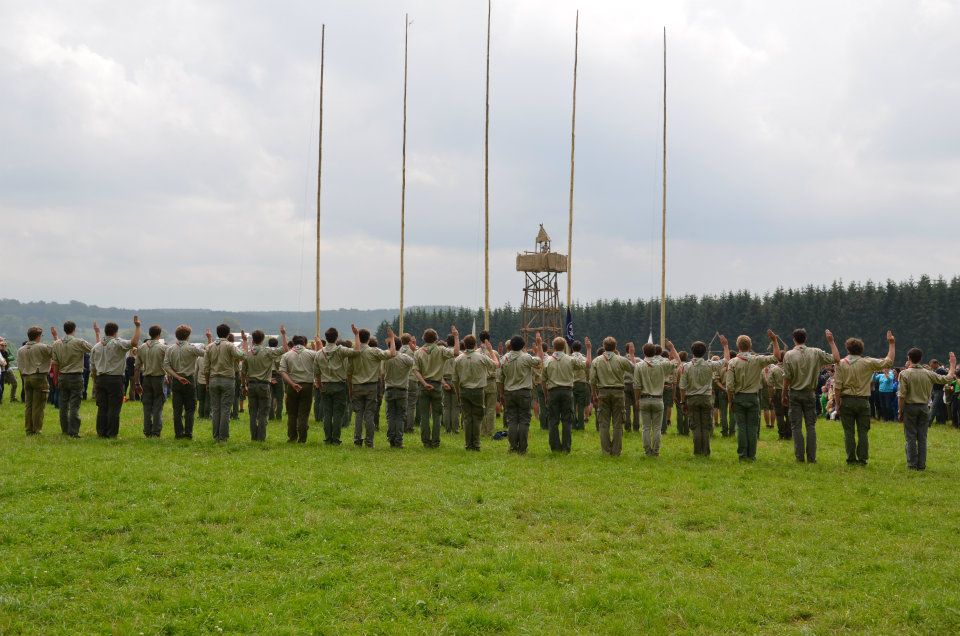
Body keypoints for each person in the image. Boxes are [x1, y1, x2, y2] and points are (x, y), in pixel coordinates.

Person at [780, 329, 840, 463]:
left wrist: (784, 394)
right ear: (805, 338)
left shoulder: (788, 355)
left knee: (796, 426)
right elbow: (836, 359)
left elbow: (787, 378)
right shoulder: (816, 352)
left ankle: (799, 457)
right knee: (810, 426)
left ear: (794, 339)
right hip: (810, 393)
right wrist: (831, 342)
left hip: (794, 393)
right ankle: (812, 458)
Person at [725, 331, 781, 462]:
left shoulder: (733, 362)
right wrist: (774, 341)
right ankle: (752, 455)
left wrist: (730, 401)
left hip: (739, 397)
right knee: (752, 427)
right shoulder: (757, 360)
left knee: (741, 427)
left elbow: (729, 386)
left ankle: (742, 454)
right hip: (753, 397)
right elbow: (777, 357)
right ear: (750, 346)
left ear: (738, 346)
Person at [897, 348, 956, 470]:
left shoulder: (905, 374)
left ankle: (912, 464)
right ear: (920, 359)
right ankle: (921, 465)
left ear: (909, 358)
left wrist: (900, 411)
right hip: (924, 407)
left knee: (911, 437)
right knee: (922, 437)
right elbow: (948, 378)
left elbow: (902, 396)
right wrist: (952, 364)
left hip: (910, 407)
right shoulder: (929, 373)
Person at [90, 316, 141, 438]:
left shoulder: (96, 346)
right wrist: (138, 326)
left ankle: (101, 432)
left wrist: (95, 380)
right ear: (115, 332)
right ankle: (112, 433)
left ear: (105, 331)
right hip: (115, 379)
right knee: (114, 408)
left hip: (100, 379)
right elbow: (134, 343)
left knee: (102, 407)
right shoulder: (117, 343)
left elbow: (93, 367)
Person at [680, 338, 729, 457]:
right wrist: (725, 346)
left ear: (692, 352)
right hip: (706, 398)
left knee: (696, 426)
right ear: (705, 352)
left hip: (692, 398)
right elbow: (726, 360)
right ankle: (706, 451)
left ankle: (697, 452)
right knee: (706, 426)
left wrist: (683, 401)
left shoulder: (686, 367)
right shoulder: (709, 364)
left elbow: (682, 387)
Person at [349, 325, 397, 448]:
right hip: (371, 386)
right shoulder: (374, 351)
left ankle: (357, 440)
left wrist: (350, 388)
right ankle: (369, 441)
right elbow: (392, 353)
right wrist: (392, 338)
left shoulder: (354, 353)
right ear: (369, 339)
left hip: (357, 385)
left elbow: (349, 372)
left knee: (358, 414)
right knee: (369, 414)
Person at [452, 334, 500, 451]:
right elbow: (496, 365)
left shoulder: (458, 359)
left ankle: (468, 444)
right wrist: (491, 351)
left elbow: (455, 380)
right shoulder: (481, 357)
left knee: (467, 418)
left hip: (464, 390)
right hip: (478, 390)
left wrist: (458, 393)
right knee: (477, 418)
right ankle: (476, 443)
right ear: (475, 345)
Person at [163, 324, 210, 440]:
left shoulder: (170, 349)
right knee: (190, 409)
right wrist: (209, 339)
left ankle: (178, 433)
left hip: (176, 381)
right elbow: (208, 354)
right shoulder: (192, 348)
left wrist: (177, 377)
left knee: (177, 409)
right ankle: (188, 433)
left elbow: (165, 365)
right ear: (188, 336)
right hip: (189, 379)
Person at [315, 327, 362, 445]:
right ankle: (335, 439)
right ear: (336, 337)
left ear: (326, 338)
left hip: (325, 385)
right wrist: (356, 334)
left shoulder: (319, 354)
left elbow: (317, 373)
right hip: (339, 385)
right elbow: (357, 351)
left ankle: (327, 438)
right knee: (337, 413)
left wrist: (320, 385)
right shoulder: (341, 350)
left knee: (327, 413)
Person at [414, 327, 459, 448]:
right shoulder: (441, 350)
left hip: (423, 385)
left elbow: (416, 371)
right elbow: (456, 352)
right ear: (436, 338)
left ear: (423, 338)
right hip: (437, 385)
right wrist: (456, 336)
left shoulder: (418, 352)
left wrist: (424, 383)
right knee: (437, 415)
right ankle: (435, 441)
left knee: (424, 415)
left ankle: (425, 441)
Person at [542, 336, 588, 453]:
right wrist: (588, 349)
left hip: (553, 391)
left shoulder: (547, 361)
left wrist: (546, 395)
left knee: (553, 420)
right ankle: (566, 447)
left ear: (553, 347)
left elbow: (543, 380)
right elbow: (586, 364)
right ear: (565, 347)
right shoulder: (570, 359)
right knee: (567, 421)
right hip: (567, 391)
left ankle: (555, 447)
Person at [589, 336, 633, 456]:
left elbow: (592, 380)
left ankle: (606, 451)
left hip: (602, 392)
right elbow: (634, 369)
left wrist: (594, 394)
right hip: (618, 392)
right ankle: (616, 451)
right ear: (615, 347)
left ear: (604, 346)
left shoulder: (596, 361)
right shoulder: (621, 360)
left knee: (604, 423)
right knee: (618, 424)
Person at [634, 341, 680, 457]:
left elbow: (637, 386)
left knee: (645, 428)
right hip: (658, 399)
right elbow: (678, 362)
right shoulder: (661, 364)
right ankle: (656, 451)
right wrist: (672, 348)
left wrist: (637, 399)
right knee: (657, 428)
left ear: (644, 352)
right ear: (655, 352)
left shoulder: (639, 366)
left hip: (644, 398)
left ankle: (647, 451)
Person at [501, 333, 544, 454]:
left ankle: (513, 446)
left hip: (509, 391)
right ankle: (522, 448)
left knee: (512, 420)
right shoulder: (526, 357)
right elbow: (540, 361)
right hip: (524, 392)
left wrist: (501, 394)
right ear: (523, 345)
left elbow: (500, 378)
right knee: (524, 420)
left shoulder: (504, 358)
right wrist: (539, 345)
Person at [51, 320, 96, 437]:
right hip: (75, 376)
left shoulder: (56, 344)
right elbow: (94, 349)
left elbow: (55, 364)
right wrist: (97, 334)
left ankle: (65, 430)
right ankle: (73, 431)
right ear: (74, 329)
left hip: (62, 376)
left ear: (64, 329)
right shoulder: (78, 342)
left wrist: (55, 378)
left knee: (63, 405)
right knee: (74, 406)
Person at [242, 327, 287, 441]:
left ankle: (253, 436)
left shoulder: (248, 354)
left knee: (252, 413)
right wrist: (283, 334)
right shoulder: (267, 352)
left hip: (251, 385)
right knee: (263, 412)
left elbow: (243, 372)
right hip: (263, 385)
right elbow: (285, 349)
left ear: (253, 340)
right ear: (262, 340)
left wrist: (244, 386)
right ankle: (261, 437)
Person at [205, 323, 246, 442]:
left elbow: (206, 368)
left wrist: (207, 383)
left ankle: (216, 435)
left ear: (217, 332)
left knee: (215, 409)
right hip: (227, 379)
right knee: (225, 409)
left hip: (213, 379)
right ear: (228, 334)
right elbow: (242, 355)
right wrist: (244, 342)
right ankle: (223, 437)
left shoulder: (209, 347)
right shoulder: (229, 345)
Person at [279, 334, 318, 443]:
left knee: (292, 413)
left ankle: (292, 437)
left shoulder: (286, 355)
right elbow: (322, 357)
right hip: (307, 385)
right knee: (303, 414)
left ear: (293, 343)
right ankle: (302, 438)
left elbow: (282, 371)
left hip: (292, 386)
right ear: (305, 343)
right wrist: (318, 344)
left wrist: (292, 384)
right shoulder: (311, 353)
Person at [17, 325, 55, 435]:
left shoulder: (21, 349)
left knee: (28, 405)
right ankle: (37, 429)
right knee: (38, 406)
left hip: (26, 377)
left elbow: (19, 366)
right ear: (38, 336)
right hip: (39, 377)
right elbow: (55, 353)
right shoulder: (42, 347)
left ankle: (28, 429)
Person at [382, 330, 415, 448]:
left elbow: (381, 372)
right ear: (401, 345)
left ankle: (391, 439)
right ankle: (398, 440)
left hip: (389, 389)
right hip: (402, 389)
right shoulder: (406, 358)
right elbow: (413, 362)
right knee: (400, 416)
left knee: (391, 415)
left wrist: (392, 339)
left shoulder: (385, 358)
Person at [134, 325, 168, 438]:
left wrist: (137, 383)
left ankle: (147, 430)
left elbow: (137, 367)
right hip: (159, 378)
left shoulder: (142, 347)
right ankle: (156, 431)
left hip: (146, 378)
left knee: (147, 405)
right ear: (159, 334)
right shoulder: (163, 347)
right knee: (158, 405)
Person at [477, 331, 501, 437]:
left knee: (481, 407)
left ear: (479, 339)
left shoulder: (476, 352)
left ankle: (482, 430)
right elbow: (498, 367)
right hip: (491, 382)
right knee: (490, 408)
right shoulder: (494, 353)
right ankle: (489, 431)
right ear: (489, 339)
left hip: (480, 382)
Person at [399, 334, 419, 433]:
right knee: (411, 405)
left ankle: (402, 425)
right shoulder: (414, 350)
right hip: (413, 378)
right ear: (410, 341)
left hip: (402, 379)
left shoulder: (399, 350)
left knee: (403, 404)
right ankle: (409, 427)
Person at [764, 361, 789, 440]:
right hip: (789, 392)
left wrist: (771, 397)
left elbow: (770, 384)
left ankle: (781, 434)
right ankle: (789, 434)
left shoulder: (773, 369)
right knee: (789, 414)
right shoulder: (789, 368)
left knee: (779, 415)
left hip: (778, 392)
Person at [441, 334, 460, 433]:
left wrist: (443, 382)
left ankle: (447, 428)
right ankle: (455, 428)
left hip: (445, 379)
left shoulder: (443, 353)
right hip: (456, 381)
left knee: (446, 406)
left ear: (447, 342)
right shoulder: (459, 354)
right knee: (456, 406)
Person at [570, 340, 591, 431]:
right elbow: (588, 370)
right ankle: (581, 426)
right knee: (581, 406)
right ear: (580, 348)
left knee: (573, 406)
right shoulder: (584, 358)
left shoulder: (569, 358)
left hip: (572, 384)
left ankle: (574, 425)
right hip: (582, 383)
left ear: (572, 348)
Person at [622, 342, 640, 433]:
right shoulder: (638, 360)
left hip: (625, 385)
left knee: (627, 407)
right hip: (634, 385)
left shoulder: (622, 359)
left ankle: (627, 427)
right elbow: (637, 369)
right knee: (636, 407)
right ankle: (636, 427)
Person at [926, 359, 949, 425]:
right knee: (939, 406)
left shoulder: (941, 370)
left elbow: (947, 378)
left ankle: (929, 422)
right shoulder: (936, 370)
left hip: (938, 391)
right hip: (935, 390)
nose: (931, 367)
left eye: (932, 365)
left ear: (936, 364)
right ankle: (940, 421)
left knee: (934, 406)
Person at [712, 356, 730, 436]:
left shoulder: (719, 369)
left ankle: (724, 431)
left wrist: (723, 388)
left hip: (721, 390)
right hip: (732, 391)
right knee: (733, 412)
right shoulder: (734, 368)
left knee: (723, 412)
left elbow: (716, 380)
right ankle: (732, 430)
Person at [268, 337, 285, 422]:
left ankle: (270, 416)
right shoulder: (280, 352)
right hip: (278, 375)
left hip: (268, 375)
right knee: (280, 398)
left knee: (269, 397)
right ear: (277, 344)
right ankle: (278, 416)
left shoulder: (266, 351)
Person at [196, 355, 209, 419]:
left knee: (201, 400)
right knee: (208, 399)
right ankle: (207, 415)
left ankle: (200, 415)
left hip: (200, 381)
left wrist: (195, 379)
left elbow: (196, 370)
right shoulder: (210, 356)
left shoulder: (199, 358)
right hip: (209, 381)